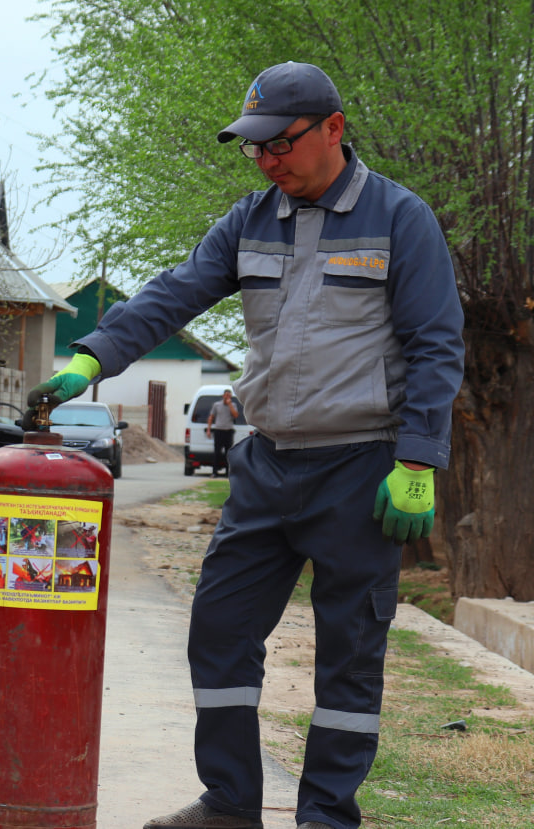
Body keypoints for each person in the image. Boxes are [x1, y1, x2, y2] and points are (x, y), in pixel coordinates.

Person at [25, 62, 464, 829]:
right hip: (267, 465)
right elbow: (173, 293)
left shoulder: (401, 219)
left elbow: (437, 342)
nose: (265, 161)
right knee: (220, 628)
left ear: (333, 129)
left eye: (279, 143)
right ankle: (230, 801)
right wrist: (92, 358)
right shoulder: (251, 220)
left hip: (361, 466)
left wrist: (418, 460)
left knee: (349, 652)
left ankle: (326, 815)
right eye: (255, 148)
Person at [205, 389, 239, 476]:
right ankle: (214, 472)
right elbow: (211, 417)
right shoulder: (217, 405)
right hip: (219, 430)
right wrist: (208, 429)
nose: (227, 397)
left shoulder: (233, 405)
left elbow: (235, 415)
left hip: (228, 431)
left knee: (228, 452)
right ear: (223, 396)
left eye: (229, 396)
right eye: (226, 395)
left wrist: (230, 404)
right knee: (217, 452)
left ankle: (228, 472)